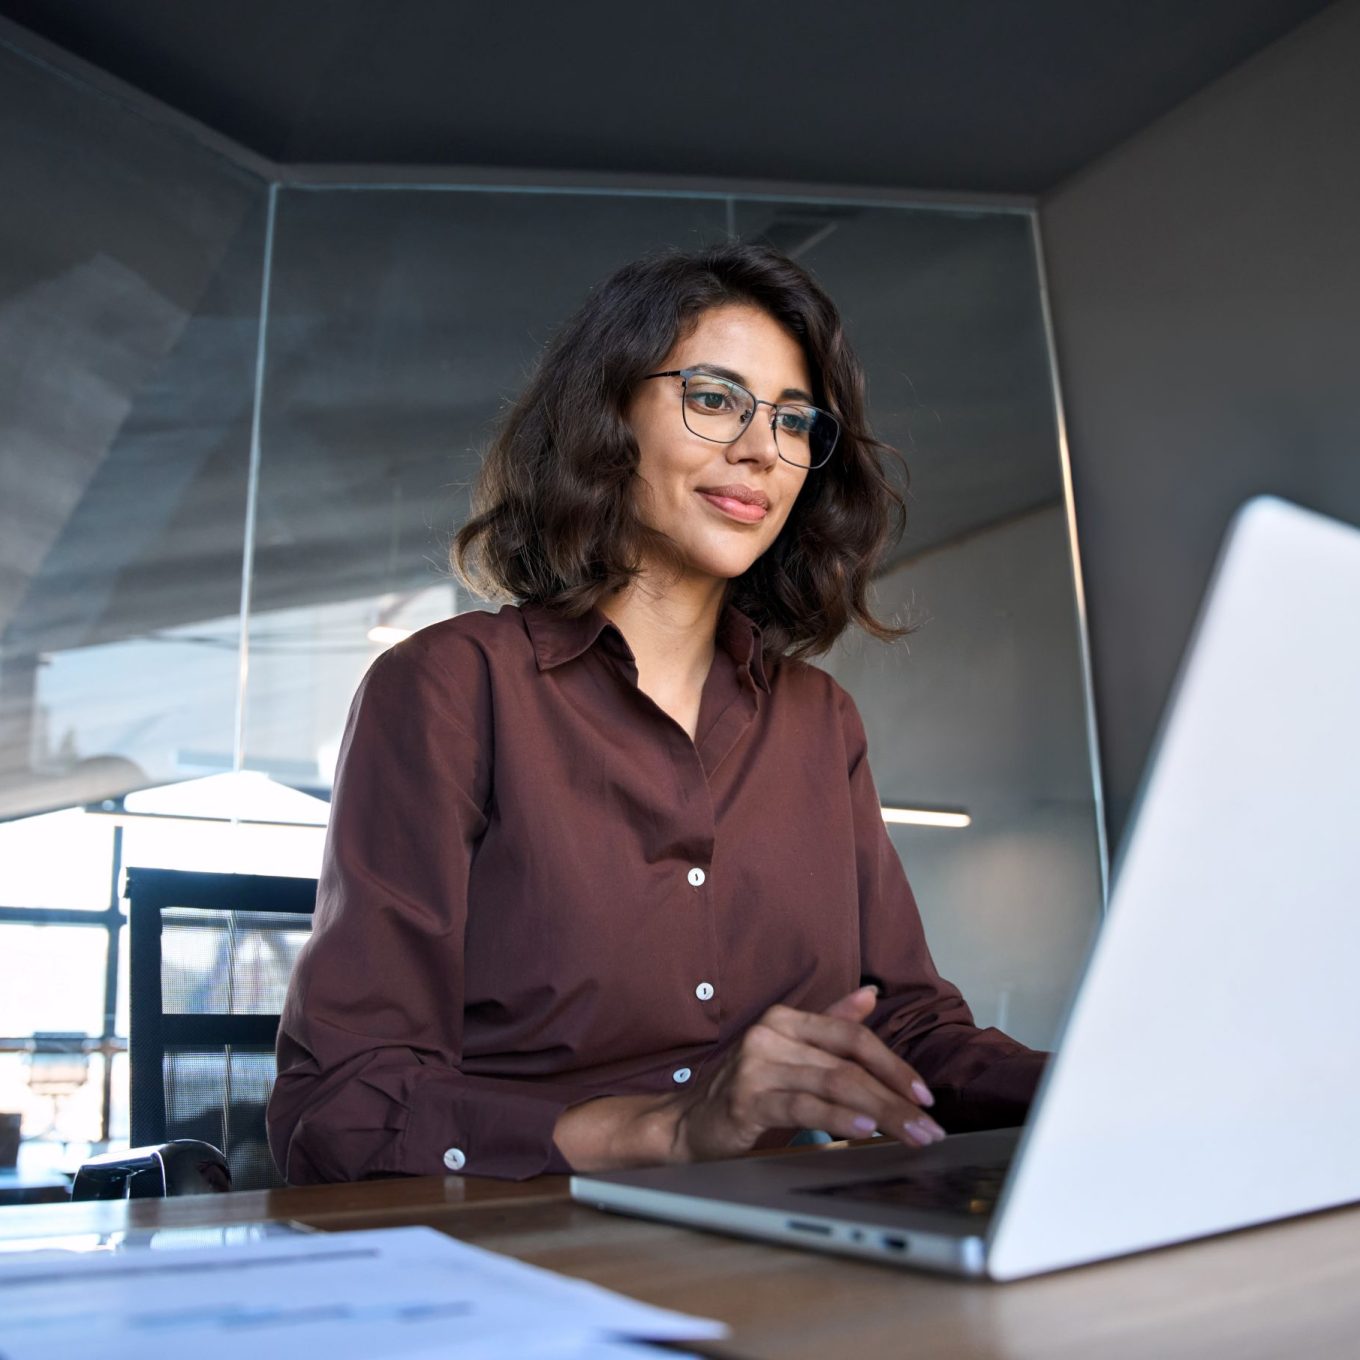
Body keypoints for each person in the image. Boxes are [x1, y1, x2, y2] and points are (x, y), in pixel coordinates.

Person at [267, 242, 1045, 1185]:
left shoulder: (819, 721)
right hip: (529, 1242)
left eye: (795, 421)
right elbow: (342, 1106)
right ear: (608, 418)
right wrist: (666, 1130)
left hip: (791, 1236)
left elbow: (907, 1029)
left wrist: (1104, 1084)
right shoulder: (447, 690)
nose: (762, 449)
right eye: (715, 399)